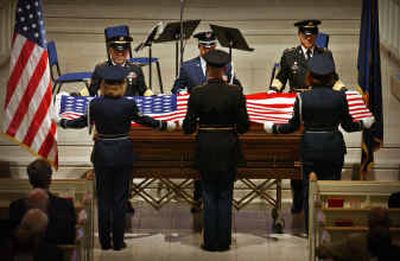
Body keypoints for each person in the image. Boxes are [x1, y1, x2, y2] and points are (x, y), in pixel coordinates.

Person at [57, 65, 175, 251]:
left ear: (103, 85)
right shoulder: (128, 104)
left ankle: (104, 242)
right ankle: (118, 242)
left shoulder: (95, 104)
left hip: (103, 153)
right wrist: (163, 125)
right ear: (122, 85)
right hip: (122, 154)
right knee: (120, 199)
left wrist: (63, 123)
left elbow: (81, 122)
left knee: (104, 199)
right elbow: (144, 120)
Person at [264, 53, 375, 231]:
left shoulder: (302, 98)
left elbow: (292, 126)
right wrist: (364, 124)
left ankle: (311, 230)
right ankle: (331, 226)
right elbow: (348, 126)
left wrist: (274, 128)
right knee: (332, 188)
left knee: (309, 189)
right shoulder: (340, 97)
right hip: (333, 148)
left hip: (310, 148)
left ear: (309, 76)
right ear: (331, 76)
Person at [269, 19, 346, 214]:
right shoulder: (289, 55)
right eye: (305, 35)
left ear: (316, 36)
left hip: (319, 107)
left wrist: (344, 91)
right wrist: (272, 91)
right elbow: (281, 77)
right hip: (299, 108)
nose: (308, 38)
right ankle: (299, 199)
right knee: (297, 159)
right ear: (299, 35)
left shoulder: (325, 54)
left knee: (314, 161)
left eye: (312, 35)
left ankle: (323, 201)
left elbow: (334, 79)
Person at [182, 49, 249, 251]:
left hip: (206, 148)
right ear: (224, 69)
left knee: (209, 195)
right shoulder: (235, 92)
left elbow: (188, 128)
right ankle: (224, 241)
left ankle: (210, 241)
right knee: (225, 195)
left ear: (208, 69)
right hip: (228, 148)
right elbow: (244, 126)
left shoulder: (198, 93)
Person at [172, 31, 242, 213]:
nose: (208, 50)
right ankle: (197, 198)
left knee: (214, 193)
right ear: (199, 47)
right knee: (217, 192)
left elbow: (239, 87)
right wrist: (180, 93)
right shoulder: (188, 67)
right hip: (211, 133)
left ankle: (211, 236)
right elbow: (177, 87)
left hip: (208, 137)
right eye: (205, 47)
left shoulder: (227, 66)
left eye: (212, 47)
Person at [9, 159, 77, 245]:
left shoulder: (15, 207)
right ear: (50, 179)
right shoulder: (65, 205)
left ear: (30, 180)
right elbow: (70, 238)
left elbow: (13, 242)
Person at [85, 25, 153, 97]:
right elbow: (91, 90)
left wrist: (152, 95)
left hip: (130, 106)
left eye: (123, 52)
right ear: (110, 51)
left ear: (127, 52)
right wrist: (78, 95)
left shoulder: (135, 69)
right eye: (117, 51)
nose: (120, 55)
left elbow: (143, 90)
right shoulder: (101, 68)